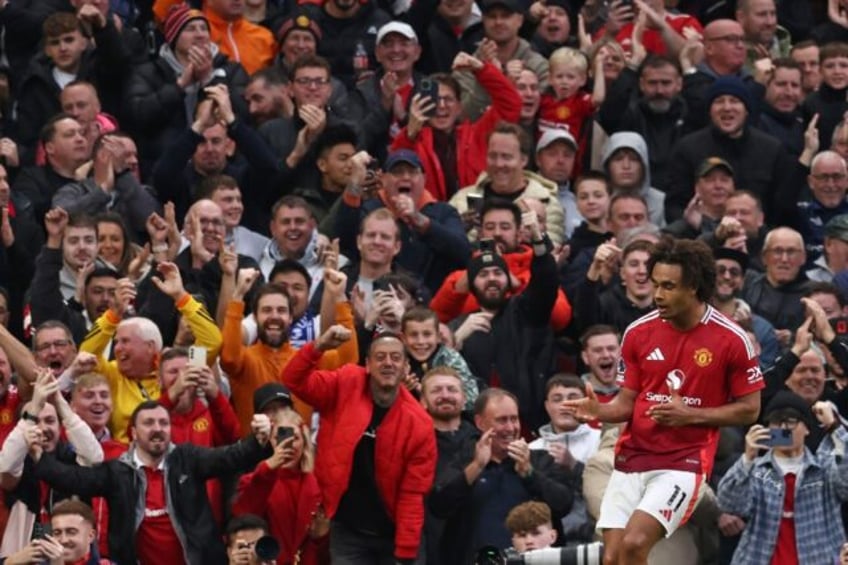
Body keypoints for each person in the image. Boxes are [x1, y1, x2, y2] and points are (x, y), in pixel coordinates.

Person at [565, 236, 763, 565]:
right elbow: (627, 402)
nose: (657, 295)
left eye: (669, 286)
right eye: (655, 284)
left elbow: (750, 410)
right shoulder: (637, 332)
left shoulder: (732, 339)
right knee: (613, 558)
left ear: (694, 287)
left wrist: (691, 414)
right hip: (631, 458)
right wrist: (600, 411)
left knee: (635, 544)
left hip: (682, 462)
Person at [27, 400, 273, 565]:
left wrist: (258, 440)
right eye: (149, 423)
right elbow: (75, 479)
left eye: (163, 423)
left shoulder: (189, 459)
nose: (158, 429)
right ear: (133, 432)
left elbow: (230, 457)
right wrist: (38, 456)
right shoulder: (117, 471)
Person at [282, 327, 437, 564]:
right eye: (380, 357)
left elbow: (412, 493)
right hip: (347, 530)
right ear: (367, 364)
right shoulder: (345, 383)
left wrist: (405, 553)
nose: (388, 363)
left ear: (406, 367)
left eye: (396, 358)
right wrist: (319, 347)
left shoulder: (420, 424)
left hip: (392, 531)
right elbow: (293, 379)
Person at [428, 388, 573, 564]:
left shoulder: (540, 460)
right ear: (480, 422)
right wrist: (477, 466)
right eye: (502, 420)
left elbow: (564, 504)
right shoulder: (463, 460)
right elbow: (439, 505)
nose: (511, 428)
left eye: (514, 419)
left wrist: (529, 474)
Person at [717, 391, 848, 564]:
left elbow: (845, 485)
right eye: (777, 422)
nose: (784, 428)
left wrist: (834, 427)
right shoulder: (755, 471)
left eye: (792, 422)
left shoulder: (824, 469)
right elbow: (730, 504)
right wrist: (747, 458)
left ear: (807, 428)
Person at [232, 408, 326, 565]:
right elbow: (244, 520)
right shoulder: (254, 481)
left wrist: (321, 538)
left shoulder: (320, 485)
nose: (288, 445)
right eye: (280, 437)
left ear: (304, 441)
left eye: (295, 438)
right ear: (271, 442)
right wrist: (267, 470)